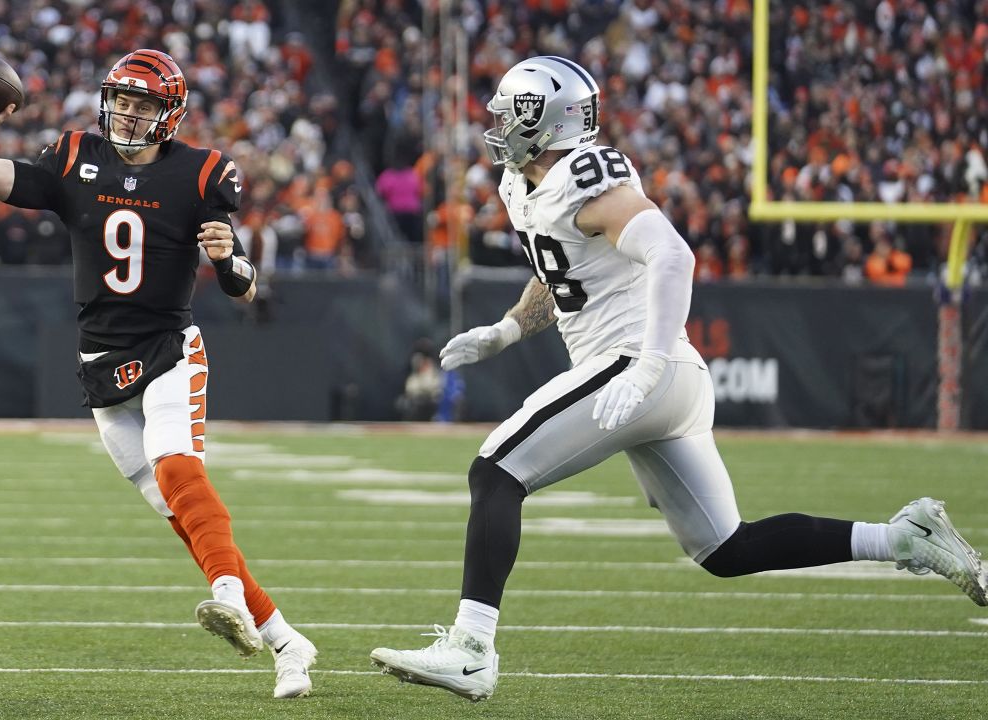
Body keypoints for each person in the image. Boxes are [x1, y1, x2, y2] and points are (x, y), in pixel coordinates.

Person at [369, 56, 987, 702]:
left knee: (495, 470)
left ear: (539, 119)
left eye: (506, 111)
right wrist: (506, 331)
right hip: (659, 379)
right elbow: (563, 271)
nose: (495, 123)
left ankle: (471, 649)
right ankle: (904, 537)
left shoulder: (586, 175)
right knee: (726, 547)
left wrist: (648, 363)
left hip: (642, 365)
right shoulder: (526, 187)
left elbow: (672, 254)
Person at [0, 49, 317, 699]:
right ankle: (288, 642)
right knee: (177, 512)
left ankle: (229, 596)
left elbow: (244, 284)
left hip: (169, 348)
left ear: (169, 114)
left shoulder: (202, 174)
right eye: (120, 98)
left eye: (143, 103)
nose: (126, 112)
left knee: (178, 466)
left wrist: (230, 265)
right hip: (101, 367)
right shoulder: (74, 159)